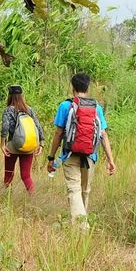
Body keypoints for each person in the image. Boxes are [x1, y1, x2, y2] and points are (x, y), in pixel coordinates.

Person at [46, 72, 116, 229]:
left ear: (73, 87)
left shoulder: (65, 106)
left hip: (69, 155)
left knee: (74, 190)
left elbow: (58, 133)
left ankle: (81, 228)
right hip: (90, 156)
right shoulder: (96, 107)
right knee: (85, 190)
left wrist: (51, 157)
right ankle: (81, 224)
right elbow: (103, 135)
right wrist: (111, 160)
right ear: (88, 87)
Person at [0, 84, 43, 194]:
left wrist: (2, 144)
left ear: (10, 96)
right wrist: (41, 144)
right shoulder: (29, 109)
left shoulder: (8, 110)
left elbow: (5, 127)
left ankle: (5, 196)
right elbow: (38, 126)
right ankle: (33, 196)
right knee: (26, 176)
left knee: (9, 173)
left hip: (12, 147)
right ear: (22, 96)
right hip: (28, 146)